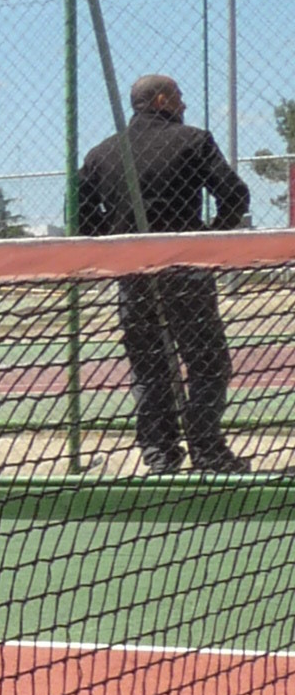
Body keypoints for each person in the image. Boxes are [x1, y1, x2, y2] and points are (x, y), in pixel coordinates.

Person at [72, 76, 254, 473]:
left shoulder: (101, 154)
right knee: (208, 362)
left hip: (133, 274)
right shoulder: (193, 141)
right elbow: (235, 195)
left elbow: (82, 217)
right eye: (178, 97)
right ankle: (206, 449)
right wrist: (207, 237)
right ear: (161, 100)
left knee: (149, 367)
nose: (184, 105)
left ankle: (160, 455)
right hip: (185, 270)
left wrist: (117, 242)